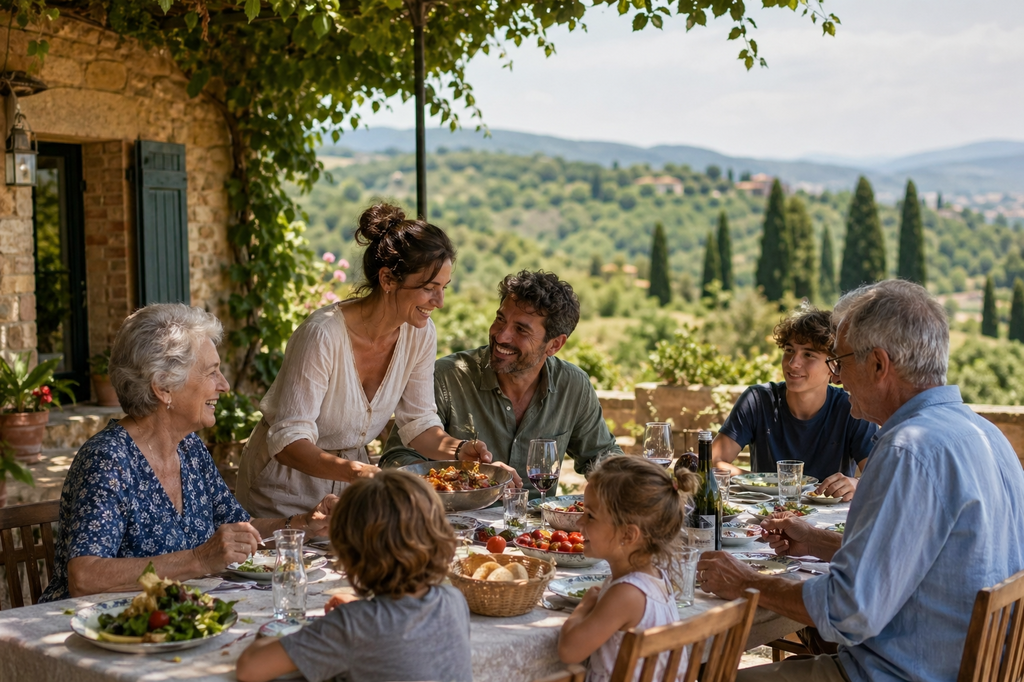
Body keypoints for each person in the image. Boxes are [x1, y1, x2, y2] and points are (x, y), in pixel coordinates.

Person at [697, 279, 1024, 682]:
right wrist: (818, 542)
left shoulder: (906, 451)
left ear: (878, 365)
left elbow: (848, 612)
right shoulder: (985, 434)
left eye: (840, 360)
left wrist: (747, 582)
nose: (836, 377)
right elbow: (913, 558)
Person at [40, 304, 337, 602]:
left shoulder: (189, 448)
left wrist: (304, 524)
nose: (225, 385)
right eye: (212, 373)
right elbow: (85, 576)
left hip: (170, 623)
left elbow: (242, 530)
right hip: (96, 631)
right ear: (164, 387)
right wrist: (199, 560)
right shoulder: (108, 459)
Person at [236, 203, 493, 518]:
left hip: (349, 490)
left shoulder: (419, 333)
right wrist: (355, 472)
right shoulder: (322, 335)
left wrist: (458, 451)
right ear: (388, 279)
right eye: (429, 289)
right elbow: (289, 440)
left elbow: (418, 423)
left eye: (443, 288)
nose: (439, 302)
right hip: (282, 491)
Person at [379, 270, 622, 492]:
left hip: (536, 537)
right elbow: (396, 462)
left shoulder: (573, 386)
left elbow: (600, 456)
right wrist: (474, 476)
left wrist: (641, 480)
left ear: (554, 344)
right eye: (500, 319)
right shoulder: (445, 377)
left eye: (521, 330)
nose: (501, 335)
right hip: (458, 529)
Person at [236, 469, 472, 682]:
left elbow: (250, 668)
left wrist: (317, 630)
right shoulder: (452, 599)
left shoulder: (353, 625)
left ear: (348, 554)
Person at [713, 304, 877, 500]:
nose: (793, 363)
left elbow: (878, 479)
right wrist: (771, 484)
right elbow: (714, 461)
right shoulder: (758, 401)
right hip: (766, 517)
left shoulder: (851, 408)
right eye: (789, 350)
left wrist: (857, 484)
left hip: (827, 522)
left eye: (808, 354)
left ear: (834, 364)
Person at [558, 456, 698, 682]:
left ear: (628, 535)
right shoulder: (658, 579)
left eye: (590, 516)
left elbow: (569, 650)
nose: (579, 523)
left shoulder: (626, 594)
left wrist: (583, 608)